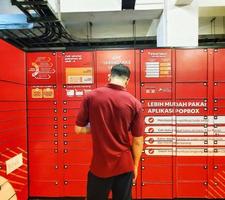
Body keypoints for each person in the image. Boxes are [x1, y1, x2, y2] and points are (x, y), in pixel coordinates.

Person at [75, 64, 144, 200]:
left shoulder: (91, 97)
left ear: (109, 76)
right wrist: (135, 166)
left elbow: (78, 130)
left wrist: (99, 126)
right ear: (127, 81)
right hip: (125, 165)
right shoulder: (135, 103)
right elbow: (138, 141)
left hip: (100, 166)